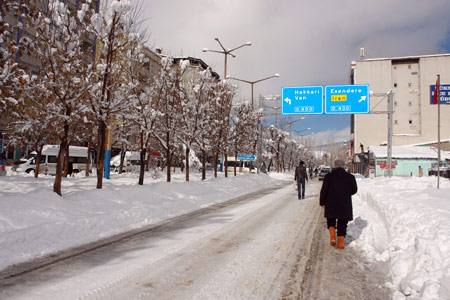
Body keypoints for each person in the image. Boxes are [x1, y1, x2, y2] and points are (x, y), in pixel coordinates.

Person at [319, 160, 357, 249]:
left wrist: (322, 202)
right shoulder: (350, 177)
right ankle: (340, 243)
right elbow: (354, 190)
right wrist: (346, 193)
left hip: (330, 202)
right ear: (344, 166)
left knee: (331, 220)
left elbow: (324, 190)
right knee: (342, 222)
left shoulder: (328, 176)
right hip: (344, 202)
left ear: (335, 166)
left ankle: (332, 237)